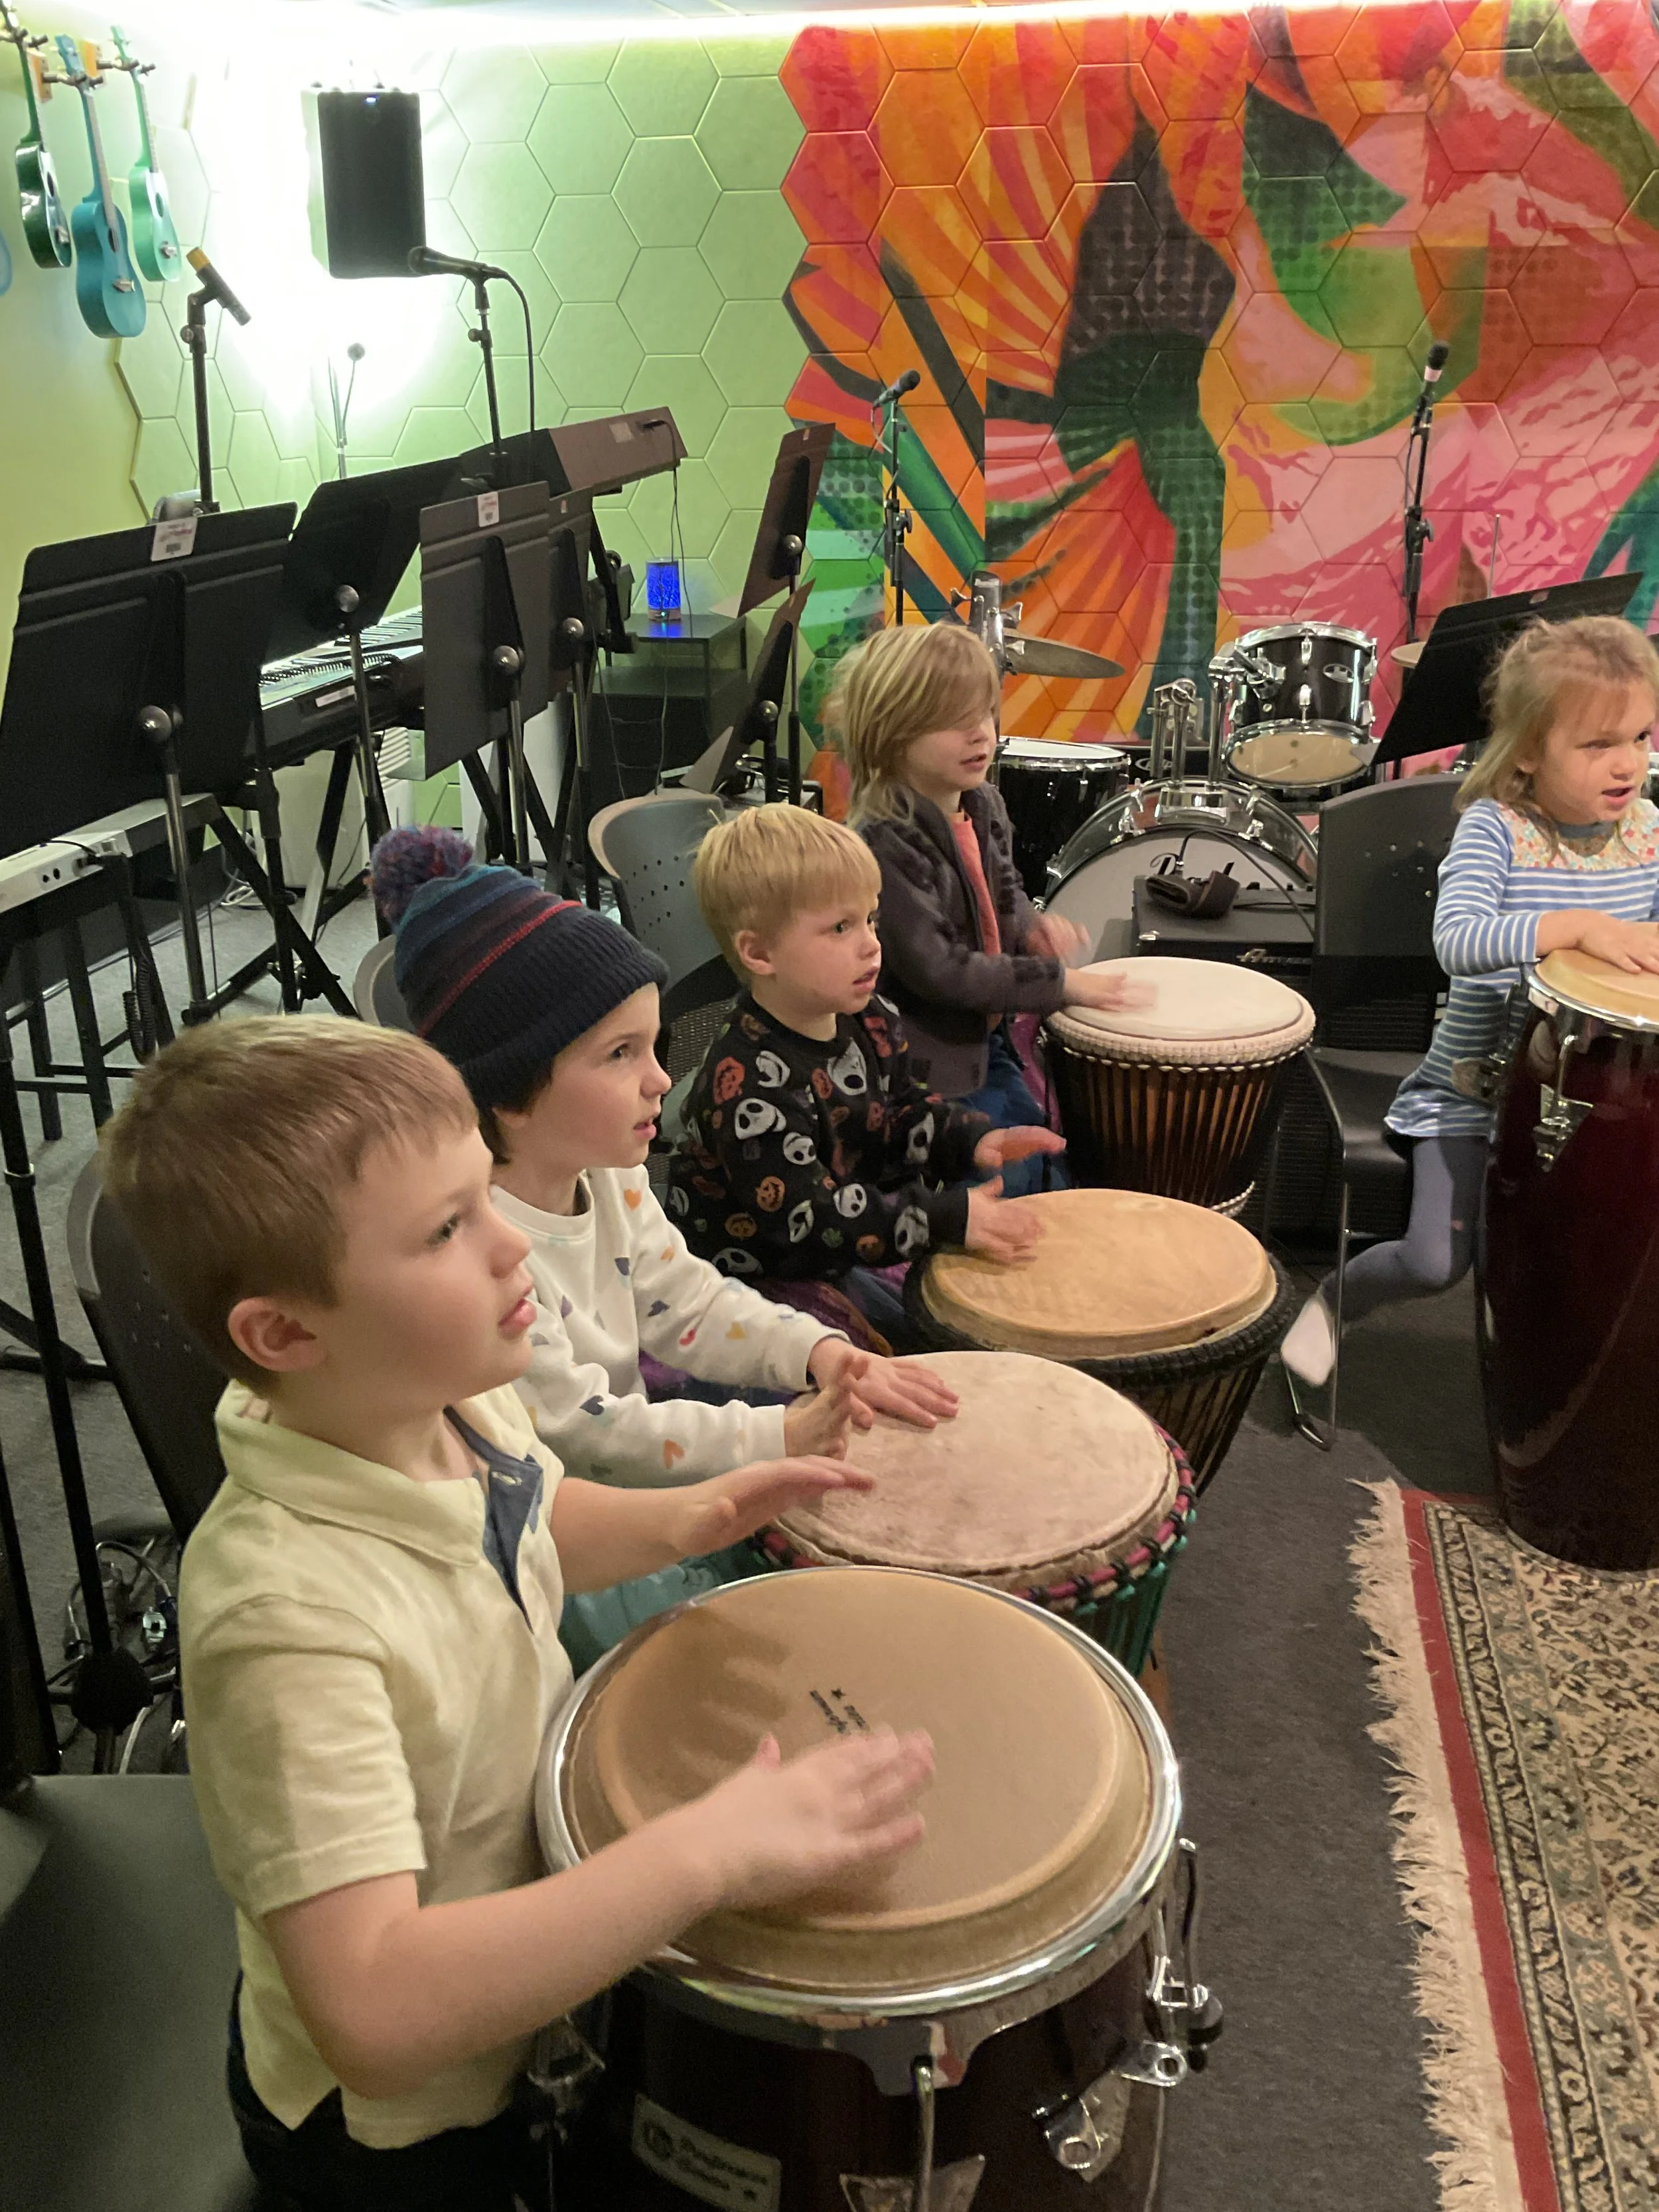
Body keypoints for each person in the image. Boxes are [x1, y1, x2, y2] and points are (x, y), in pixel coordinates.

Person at [100, 1016, 933, 2211]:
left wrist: (684, 1518)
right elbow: (376, 2009)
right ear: (285, 1333)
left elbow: (529, 1520)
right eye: (447, 1229)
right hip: (403, 2129)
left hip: (523, 1977)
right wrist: (705, 1849)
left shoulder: (451, 1404)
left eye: (484, 1197)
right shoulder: (284, 1618)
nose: (511, 1249)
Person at [368, 827, 957, 1666]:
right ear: (506, 1094)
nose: (659, 1080)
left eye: (653, 1047)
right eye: (620, 1056)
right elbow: (584, 1433)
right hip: (570, 1538)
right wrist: (773, 1438)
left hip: (632, 1480)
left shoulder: (611, 1171)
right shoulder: (488, 1257)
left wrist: (816, 1352)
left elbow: (687, 1300)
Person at [1282, 615, 1659, 1386]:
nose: (1627, 765)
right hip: (1477, 1092)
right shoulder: (1497, 828)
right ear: (1525, 750)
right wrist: (1576, 928)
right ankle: (1332, 1299)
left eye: (1641, 738)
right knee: (1431, 1261)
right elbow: (1457, 940)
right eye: (1596, 745)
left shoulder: (1648, 831)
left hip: (1599, 1097)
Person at [668, 804, 1058, 1346]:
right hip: (752, 1281)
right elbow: (809, 1219)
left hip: (832, 1242)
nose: (872, 943)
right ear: (759, 953)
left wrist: (970, 1137)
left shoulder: (869, 1016)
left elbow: (897, 1111)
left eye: (870, 918)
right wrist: (945, 1216)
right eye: (841, 927)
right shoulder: (747, 1082)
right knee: (917, 1354)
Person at [835, 622, 1145, 1195]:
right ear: (891, 733)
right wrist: (1061, 983)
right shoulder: (885, 843)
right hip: (927, 1067)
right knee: (1005, 1176)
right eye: (955, 723)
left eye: (984, 716)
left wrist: (1031, 928)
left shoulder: (980, 803)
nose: (981, 735)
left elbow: (1005, 891)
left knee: (1046, 1154)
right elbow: (944, 972)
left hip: (984, 1040)